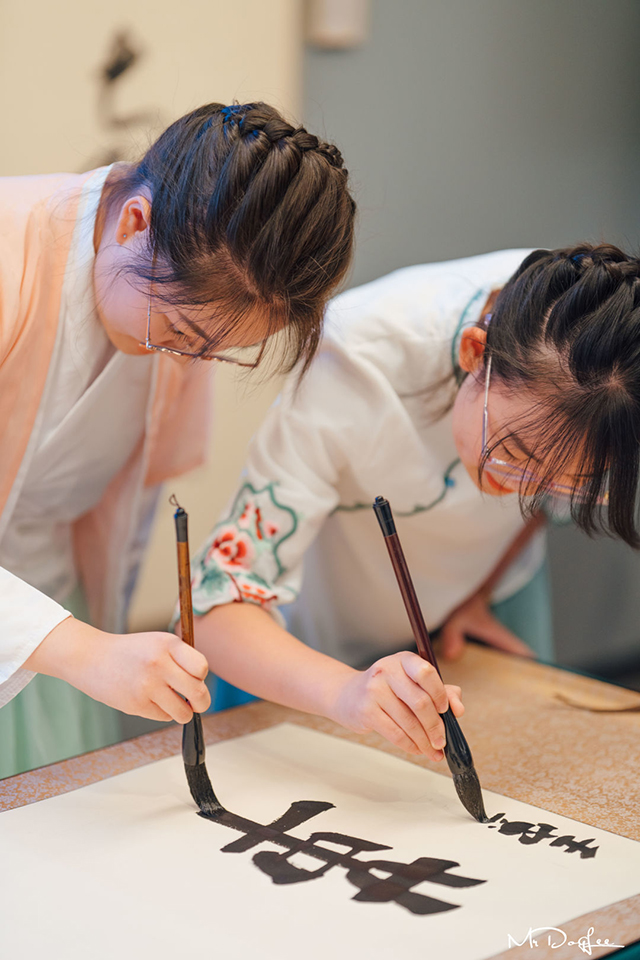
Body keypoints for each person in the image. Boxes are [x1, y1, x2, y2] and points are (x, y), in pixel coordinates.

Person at [0, 101, 356, 778]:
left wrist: (95, 646)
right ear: (135, 222)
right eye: (185, 336)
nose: (188, 364)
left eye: (218, 352)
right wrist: (83, 651)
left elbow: (123, 514)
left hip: (54, 620)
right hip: (53, 637)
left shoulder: (182, 311)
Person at [186, 243, 640, 761]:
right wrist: (344, 692)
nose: (516, 488)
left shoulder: (612, 348)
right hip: (317, 645)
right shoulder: (353, 360)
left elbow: (544, 503)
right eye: (510, 452)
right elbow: (217, 607)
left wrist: (480, 589)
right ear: (475, 354)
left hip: (478, 610)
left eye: (567, 478)